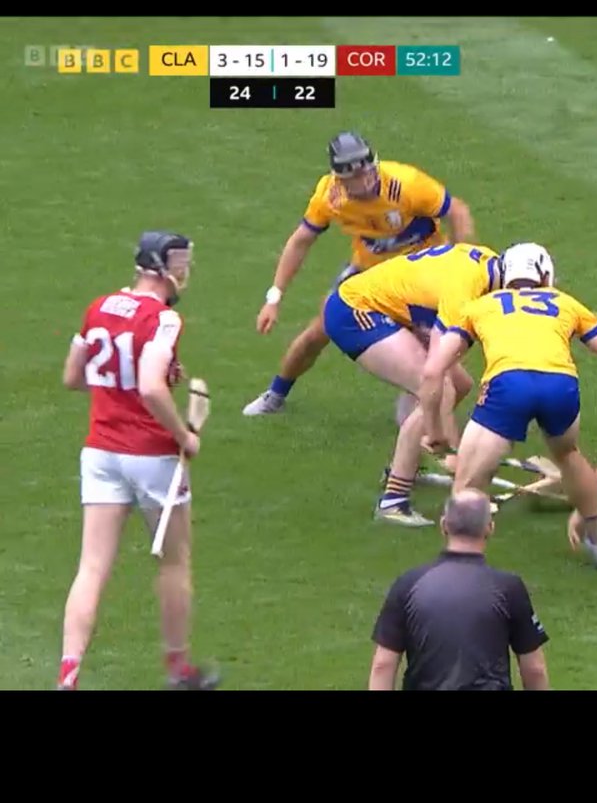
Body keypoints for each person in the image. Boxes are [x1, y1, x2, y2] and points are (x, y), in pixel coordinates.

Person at [419, 243, 597, 569]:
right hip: (560, 386)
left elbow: (432, 371)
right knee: (568, 454)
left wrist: (435, 430)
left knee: (468, 485)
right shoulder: (564, 303)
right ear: (543, 273)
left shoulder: (479, 307)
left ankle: (459, 565)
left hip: (508, 386)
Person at [58, 231, 218, 690]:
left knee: (91, 568)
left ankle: (68, 673)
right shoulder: (163, 319)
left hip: (101, 453)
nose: (184, 269)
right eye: (179, 261)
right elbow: (150, 386)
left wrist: (119, 385)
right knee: (173, 563)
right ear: (161, 267)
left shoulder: (98, 307)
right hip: (151, 458)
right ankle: (178, 671)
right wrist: (183, 434)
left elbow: (74, 376)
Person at [243, 131, 475, 419]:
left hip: (420, 278)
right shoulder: (330, 197)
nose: (364, 180)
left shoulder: (407, 184)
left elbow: (458, 211)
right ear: (339, 178)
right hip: (370, 274)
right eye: (354, 176)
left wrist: (460, 260)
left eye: (367, 171)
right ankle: (276, 394)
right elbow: (301, 240)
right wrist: (274, 297)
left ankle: (416, 411)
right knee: (318, 332)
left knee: (441, 354)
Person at [324, 242, 498, 526]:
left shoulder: (488, 264)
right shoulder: (464, 294)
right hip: (357, 312)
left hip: (393, 309)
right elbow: (433, 372)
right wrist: (447, 444)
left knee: (459, 384)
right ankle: (394, 499)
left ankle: (405, 463)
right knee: (437, 389)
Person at [368, 489, 550, 690]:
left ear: (444, 525)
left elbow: (383, 665)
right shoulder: (509, 588)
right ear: (490, 528)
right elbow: (534, 669)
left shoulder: (409, 583)